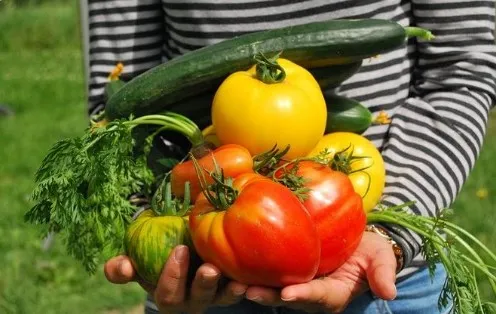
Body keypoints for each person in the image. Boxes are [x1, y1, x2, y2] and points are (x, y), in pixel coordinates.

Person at [83, 1, 496, 313]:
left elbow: (462, 70)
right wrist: (150, 225)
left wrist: (390, 231)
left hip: (385, 277)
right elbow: (119, 102)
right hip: (200, 261)